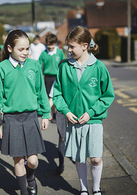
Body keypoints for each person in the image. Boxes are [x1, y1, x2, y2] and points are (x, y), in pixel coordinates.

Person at [53, 26, 115, 195]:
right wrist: (65, 111)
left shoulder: (99, 67)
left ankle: (96, 189)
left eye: (72, 46)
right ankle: (84, 189)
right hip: (74, 121)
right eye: (68, 46)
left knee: (95, 158)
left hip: (93, 121)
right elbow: (57, 94)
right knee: (80, 158)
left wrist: (91, 112)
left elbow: (108, 95)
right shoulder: (64, 67)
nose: (69, 50)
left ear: (85, 45)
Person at [0, 29, 51, 195]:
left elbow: (41, 92)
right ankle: (25, 191)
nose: (25, 52)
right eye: (21, 49)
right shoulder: (1, 69)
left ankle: (31, 178)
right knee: (19, 159)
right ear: (10, 48)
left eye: (27, 48)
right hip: (11, 119)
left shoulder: (34, 65)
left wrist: (46, 114)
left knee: (32, 161)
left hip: (31, 117)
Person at [38, 33, 65, 122]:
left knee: (55, 96)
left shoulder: (60, 52)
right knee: (50, 96)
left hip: (58, 77)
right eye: (48, 44)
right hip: (48, 78)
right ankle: (53, 114)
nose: (50, 46)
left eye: (52, 44)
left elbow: (64, 64)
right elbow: (38, 65)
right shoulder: (44, 54)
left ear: (55, 43)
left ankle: (57, 113)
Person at [48, 81, 67, 175]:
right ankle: (61, 164)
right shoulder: (58, 80)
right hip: (62, 111)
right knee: (62, 138)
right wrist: (47, 112)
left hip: (76, 111)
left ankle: (77, 159)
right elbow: (52, 97)